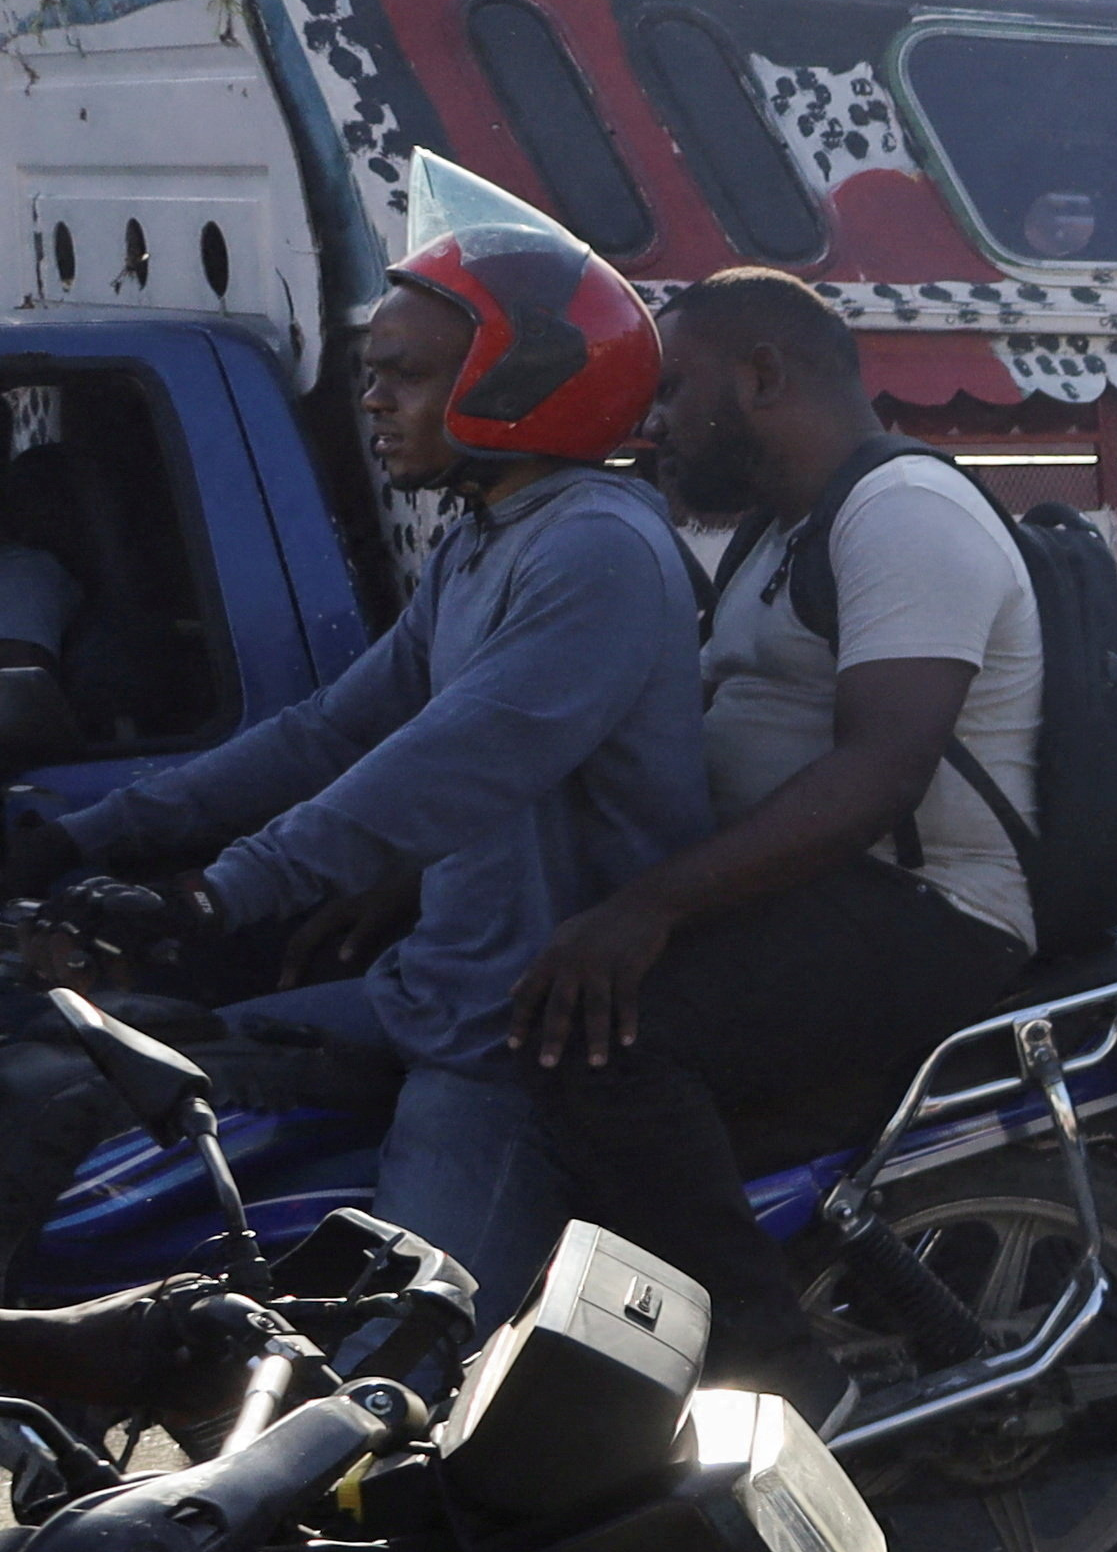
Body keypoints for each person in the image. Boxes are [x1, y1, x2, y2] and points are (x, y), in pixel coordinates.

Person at [0, 160, 708, 1313]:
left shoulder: (596, 551)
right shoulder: (487, 538)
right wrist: (83, 838)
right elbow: (330, 728)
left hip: (514, 1042)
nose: (371, 401)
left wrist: (211, 897)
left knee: (396, 1366)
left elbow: (442, 768)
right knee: (117, 1087)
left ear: (523, 381)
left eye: (405, 376)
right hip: (432, 990)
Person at [507, 266, 1046, 1404]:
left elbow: (879, 774)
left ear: (761, 375)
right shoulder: (776, 529)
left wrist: (644, 909)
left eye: (672, 388)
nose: (648, 422)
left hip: (931, 907)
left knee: (603, 1039)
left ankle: (780, 1374)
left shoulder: (903, 511)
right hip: (820, 895)